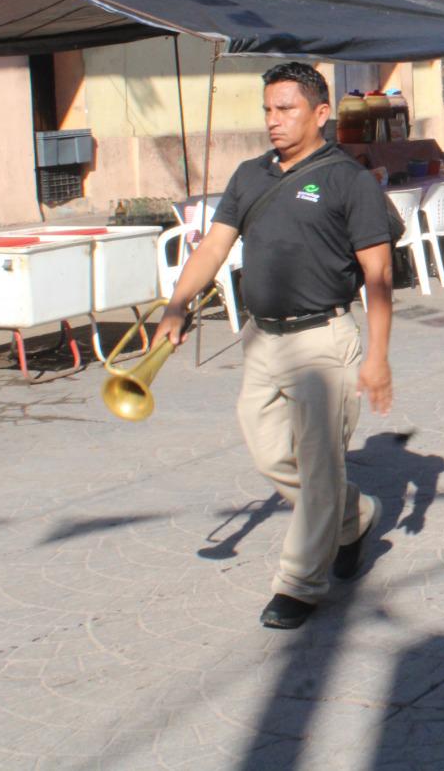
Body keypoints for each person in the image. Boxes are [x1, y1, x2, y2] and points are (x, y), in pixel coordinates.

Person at [154, 61, 394, 630]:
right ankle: (354, 516)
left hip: (323, 341)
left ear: (320, 113)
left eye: (286, 109)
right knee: (269, 453)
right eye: (267, 109)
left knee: (317, 468)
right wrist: (177, 303)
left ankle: (299, 585)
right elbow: (213, 248)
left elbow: (378, 276)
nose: (273, 121)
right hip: (262, 338)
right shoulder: (249, 175)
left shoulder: (347, 181)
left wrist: (378, 359)